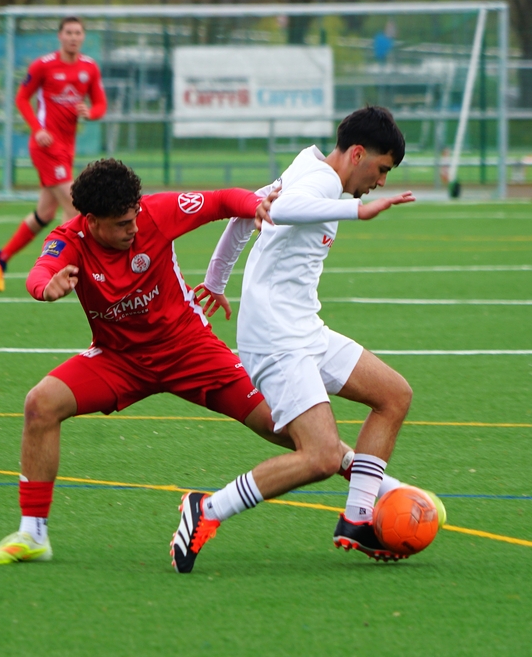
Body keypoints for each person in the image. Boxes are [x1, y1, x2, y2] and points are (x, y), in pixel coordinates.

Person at [0, 158, 393, 569]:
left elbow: (221, 200)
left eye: (134, 217)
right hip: (119, 361)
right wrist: (45, 288)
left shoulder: (157, 212)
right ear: (91, 221)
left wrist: (256, 205)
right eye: (122, 224)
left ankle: (380, 486)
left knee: (282, 425)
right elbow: (41, 270)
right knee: (40, 404)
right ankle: (32, 534)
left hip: (189, 350)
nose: (133, 228)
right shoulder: (70, 239)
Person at [184, 105, 443, 568]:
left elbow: (247, 211)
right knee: (321, 457)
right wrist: (358, 210)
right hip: (276, 340)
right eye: (382, 169)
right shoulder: (320, 182)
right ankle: (208, 509)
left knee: (394, 395)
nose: (381, 181)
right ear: (358, 154)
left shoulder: (307, 166)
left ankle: (358, 520)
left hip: (304, 329)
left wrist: (216, 280)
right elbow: (281, 209)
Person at [0, 16, 107, 292]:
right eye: (69, 32)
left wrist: (90, 112)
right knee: (74, 207)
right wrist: (37, 129)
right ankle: (69, 269)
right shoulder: (43, 65)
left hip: (67, 149)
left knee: (45, 212)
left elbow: (101, 104)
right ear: (60, 36)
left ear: (83, 37)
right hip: (46, 147)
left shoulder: (89, 68)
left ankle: (2, 256)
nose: (73, 37)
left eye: (78, 33)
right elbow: (21, 98)